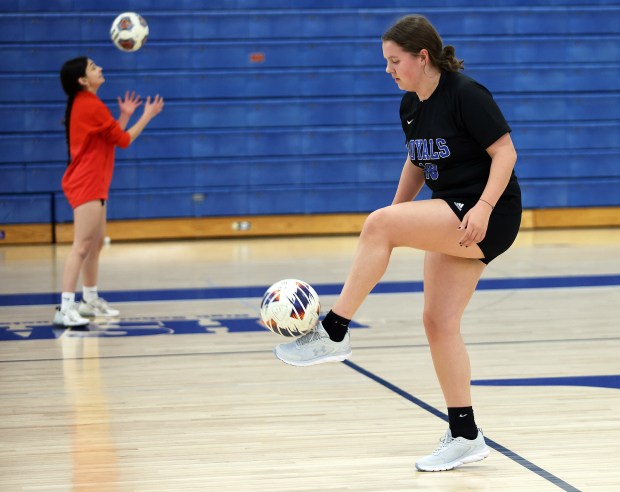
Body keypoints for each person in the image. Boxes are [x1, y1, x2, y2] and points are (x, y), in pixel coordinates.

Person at [273, 15, 521, 472]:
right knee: (438, 322)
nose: (388, 69)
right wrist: (392, 219)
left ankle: (333, 332)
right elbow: (416, 161)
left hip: (487, 211)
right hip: (453, 208)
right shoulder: (411, 105)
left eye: (394, 60)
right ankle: (465, 433)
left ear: (422, 57)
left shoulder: (466, 93)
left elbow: (505, 152)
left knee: (382, 226)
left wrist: (481, 208)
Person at [54, 57, 164, 327]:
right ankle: (66, 307)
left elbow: (111, 136)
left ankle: (89, 299)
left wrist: (125, 115)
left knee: (95, 243)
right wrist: (146, 116)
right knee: (81, 246)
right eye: (93, 68)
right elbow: (124, 140)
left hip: (95, 182)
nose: (100, 69)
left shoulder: (88, 104)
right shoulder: (89, 104)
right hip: (86, 182)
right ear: (82, 80)